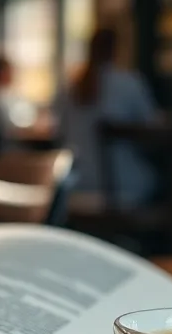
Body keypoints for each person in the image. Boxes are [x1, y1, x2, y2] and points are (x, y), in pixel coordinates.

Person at [57, 28, 161, 208]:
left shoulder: (71, 88)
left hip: (76, 182)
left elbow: (59, 132)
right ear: (117, 50)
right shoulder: (128, 83)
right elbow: (153, 126)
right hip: (119, 187)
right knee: (162, 181)